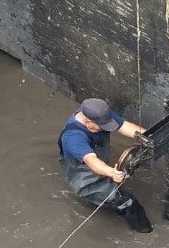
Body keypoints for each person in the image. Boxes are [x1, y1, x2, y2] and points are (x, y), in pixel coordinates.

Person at [58, 98, 153, 233]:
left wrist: (150, 139)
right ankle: (145, 230)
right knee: (127, 202)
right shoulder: (73, 137)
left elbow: (124, 126)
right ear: (88, 121)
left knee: (114, 188)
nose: (106, 128)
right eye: (102, 126)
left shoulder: (100, 115)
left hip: (100, 163)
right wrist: (112, 172)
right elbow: (91, 161)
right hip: (85, 178)